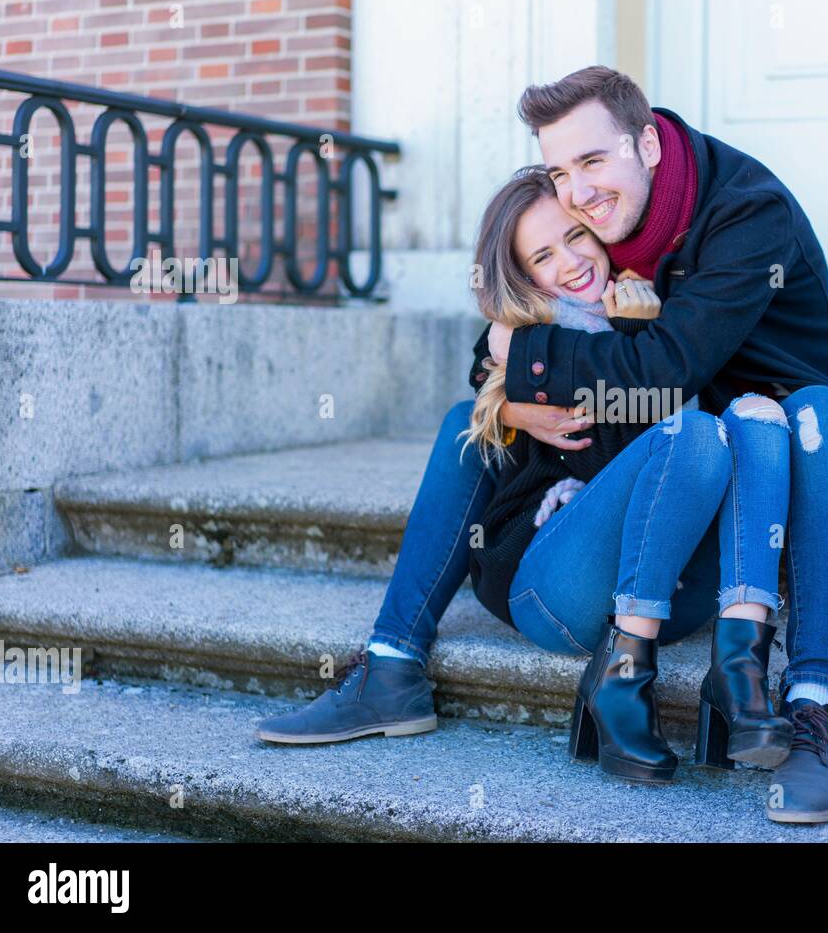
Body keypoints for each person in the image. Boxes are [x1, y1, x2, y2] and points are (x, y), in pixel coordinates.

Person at [259, 166, 796, 786]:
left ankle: (722, 673)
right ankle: (392, 659)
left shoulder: (660, 317)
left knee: (726, 426)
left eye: (576, 236)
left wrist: (635, 331)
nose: (571, 263)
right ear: (522, 276)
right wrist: (514, 396)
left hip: (678, 592)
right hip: (562, 582)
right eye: (543, 255)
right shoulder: (534, 342)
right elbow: (611, 458)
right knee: (479, 423)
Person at [485, 66, 828, 823]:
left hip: (819, 464)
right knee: (712, 429)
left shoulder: (746, 213)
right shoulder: (602, 238)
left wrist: (530, 359)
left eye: (592, 161)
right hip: (722, 480)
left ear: (645, 143)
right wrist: (511, 391)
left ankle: (809, 713)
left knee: (816, 410)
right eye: (559, 171)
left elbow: (667, 366)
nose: (576, 192)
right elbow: (519, 316)